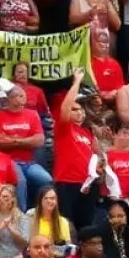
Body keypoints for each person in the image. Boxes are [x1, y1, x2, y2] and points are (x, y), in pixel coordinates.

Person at [0, 85, 50, 210]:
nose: (18, 99)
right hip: (8, 161)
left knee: (46, 180)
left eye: (21, 96)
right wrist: (27, 141)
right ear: (8, 100)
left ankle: (39, 212)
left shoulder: (32, 114)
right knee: (20, 182)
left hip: (29, 162)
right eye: (14, 96)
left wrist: (14, 140)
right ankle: (21, 216)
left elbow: (39, 140)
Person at [54, 69, 96, 227]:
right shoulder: (64, 128)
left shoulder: (87, 132)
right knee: (67, 225)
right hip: (67, 182)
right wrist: (76, 82)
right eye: (75, 110)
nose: (79, 113)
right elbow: (65, 108)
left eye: (81, 110)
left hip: (87, 185)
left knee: (85, 226)